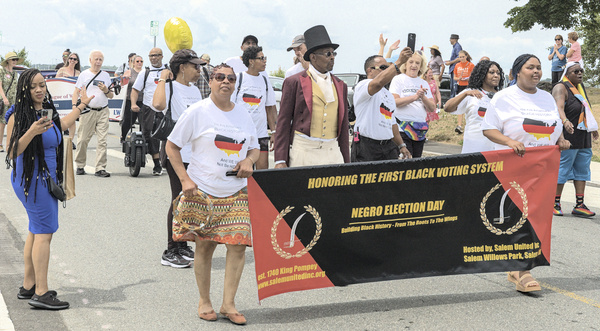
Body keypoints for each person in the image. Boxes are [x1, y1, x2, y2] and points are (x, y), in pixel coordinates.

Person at [166, 63, 259, 325]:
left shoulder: (243, 114)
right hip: (204, 192)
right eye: (220, 77)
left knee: (238, 246)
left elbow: (253, 148)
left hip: (236, 192)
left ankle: (229, 304)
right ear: (212, 81)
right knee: (205, 248)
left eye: (230, 78)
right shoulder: (197, 112)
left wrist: (249, 161)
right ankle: (204, 301)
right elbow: (171, 146)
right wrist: (185, 179)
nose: (225, 82)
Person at [482, 54, 570, 293]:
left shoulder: (546, 97)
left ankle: (518, 266)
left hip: (543, 167)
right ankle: (523, 270)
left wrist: (560, 139)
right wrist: (510, 141)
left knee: (538, 217)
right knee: (520, 217)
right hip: (513, 167)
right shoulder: (503, 97)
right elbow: (489, 129)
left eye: (539, 67)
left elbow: (554, 126)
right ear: (516, 72)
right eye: (530, 67)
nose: (536, 71)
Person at [6, 68, 94, 309]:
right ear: (24, 89)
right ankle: (41, 293)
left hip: (44, 180)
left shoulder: (46, 111)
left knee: (36, 231)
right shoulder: (18, 115)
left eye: (42, 85)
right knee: (44, 232)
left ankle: (29, 286)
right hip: (32, 181)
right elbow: (12, 151)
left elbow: (61, 124)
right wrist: (32, 131)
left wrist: (80, 107)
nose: (38, 89)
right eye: (33, 86)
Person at [152, 49, 203, 268]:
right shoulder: (170, 87)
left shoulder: (196, 92)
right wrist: (163, 78)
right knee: (178, 199)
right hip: (177, 153)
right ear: (182, 67)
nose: (199, 70)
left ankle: (182, 244)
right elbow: (158, 105)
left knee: (189, 201)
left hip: (196, 154)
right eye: (195, 66)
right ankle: (170, 249)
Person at [274, 25, 350, 168]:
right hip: (304, 149)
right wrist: (280, 159)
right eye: (327, 54)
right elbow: (283, 122)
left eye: (334, 53)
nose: (332, 57)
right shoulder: (294, 82)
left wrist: (347, 161)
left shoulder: (341, 85)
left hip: (333, 150)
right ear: (313, 57)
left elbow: (344, 127)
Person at [552, 61, 599, 217]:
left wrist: (593, 129)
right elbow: (558, 108)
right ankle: (554, 203)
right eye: (576, 71)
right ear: (567, 73)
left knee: (582, 172)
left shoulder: (581, 88)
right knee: (562, 170)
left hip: (583, 137)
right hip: (567, 138)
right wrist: (565, 121)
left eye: (581, 71)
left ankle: (579, 205)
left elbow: (586, 109)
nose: (580, 74)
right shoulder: (561, 87)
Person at [351, 50, 412, 162]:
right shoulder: (363, 85)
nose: (388, 70)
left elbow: (392, 123)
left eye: (388, 67)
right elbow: (377, 83)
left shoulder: (388, 94)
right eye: (383, 67)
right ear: (370, 70)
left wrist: (401, 145)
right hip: (366, 146)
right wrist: (398, 62)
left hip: (387, 146)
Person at [231, 46, 277, 169]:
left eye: (265, 58)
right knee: (241, 171)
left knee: (262, 175)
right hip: (240, 134)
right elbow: (228, 106)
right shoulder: (238, 78)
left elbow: (270, 108)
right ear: (251, 61)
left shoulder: (265, 81)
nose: (265, 61)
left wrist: (273, 132)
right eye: (261, 58)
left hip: (260, 135)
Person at [444, 60, 504, 153]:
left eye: (498, 73)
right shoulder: (470, 92)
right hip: (473, 149)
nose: (496, 75)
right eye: (491, 72)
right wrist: (465, 94)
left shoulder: (503, 97)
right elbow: (447, 108)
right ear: (482, 74)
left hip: (495, 150)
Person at [73, 50, 114, 178]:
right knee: (83, 139)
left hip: (102, 110)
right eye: (96, 59)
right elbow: (76, 92)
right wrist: (75, 107)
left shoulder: (106, 76)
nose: (98, 62)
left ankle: (100, 168)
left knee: (102, 140)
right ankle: (80, 165)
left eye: (100, 59)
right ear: (90, 60)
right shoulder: (84, 75)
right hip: (88, 110)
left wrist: (106, 90)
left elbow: (111, 95)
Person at [389, 51, 436, 158]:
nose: (414, 65)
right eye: (411, 62)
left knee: (416, 163)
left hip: (419, 129)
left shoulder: (424, 83)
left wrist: (423, 97)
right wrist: (415, 97)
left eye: (417, 63)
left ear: (421, 66)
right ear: (405, 64)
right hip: (402, 128)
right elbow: (395, 102)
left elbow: (432, 107)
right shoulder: (398, 79)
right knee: (405, 162)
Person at [130, 48, 167, 176]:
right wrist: (134, 104)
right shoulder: (145, 73)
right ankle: (157, 164)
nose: (154, 58)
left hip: (166, 109)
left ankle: (167, 161)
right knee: (151, 137)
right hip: (149, 108)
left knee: (169, 136)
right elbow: (135, 90)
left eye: (156, 55)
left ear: (162, 56)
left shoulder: (168, 71)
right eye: (151, 56)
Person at [56, 52, 81, 148]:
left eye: (74, 59)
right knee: (61, 120)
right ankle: (59, 139)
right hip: (62, 98)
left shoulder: (78, 73)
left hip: (73, 98)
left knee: (72, 120)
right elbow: (56, 82)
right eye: (71, 58)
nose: (72, 60)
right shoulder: (62, 70)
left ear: (77, 61)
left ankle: (70, 140)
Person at [1, 52, 23, 152]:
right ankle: (0, 143)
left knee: (13, 121)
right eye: (13, 59)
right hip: (4, 100)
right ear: (8, 61)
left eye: (16, 59)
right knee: (2, 122)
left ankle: (11, 143)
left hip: (14, 100)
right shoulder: (1, 71)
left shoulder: (15, 73)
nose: (15, 61)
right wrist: (4, 97)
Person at [120, 55, 144, 142]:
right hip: (130, 99)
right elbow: (123, 84)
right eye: (137, 61)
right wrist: (124, 78)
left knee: (143, 121)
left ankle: (143, 138)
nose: (139, 63)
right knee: (128, 120)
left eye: (141, 61)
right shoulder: (129, 72)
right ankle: (123, 136)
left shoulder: (144, 72)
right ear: (133, 63)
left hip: (142, 99)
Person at [453, 50, 475, 133]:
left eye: (463, 57)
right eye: (460, 57)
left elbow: (474, 76)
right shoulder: (457, 65)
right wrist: (458, 78)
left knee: (469, 105)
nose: (461, 58)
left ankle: (469, 124)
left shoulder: (471, 65)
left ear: (466, 56)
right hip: (460, 86)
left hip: (468, 86)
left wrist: (469, 78)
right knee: (460, 105)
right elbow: (454, 77)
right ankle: (459, 125)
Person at [444, 34, 462, 98]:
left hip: (455, 69)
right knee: (452, 87)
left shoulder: (457, 47)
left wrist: (450, 62)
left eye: (450, 39)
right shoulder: (456, 47)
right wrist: (449, 61)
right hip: (454, 68)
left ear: (453, 39)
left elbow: (459, 58)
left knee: (454, 87)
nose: (450, 40)